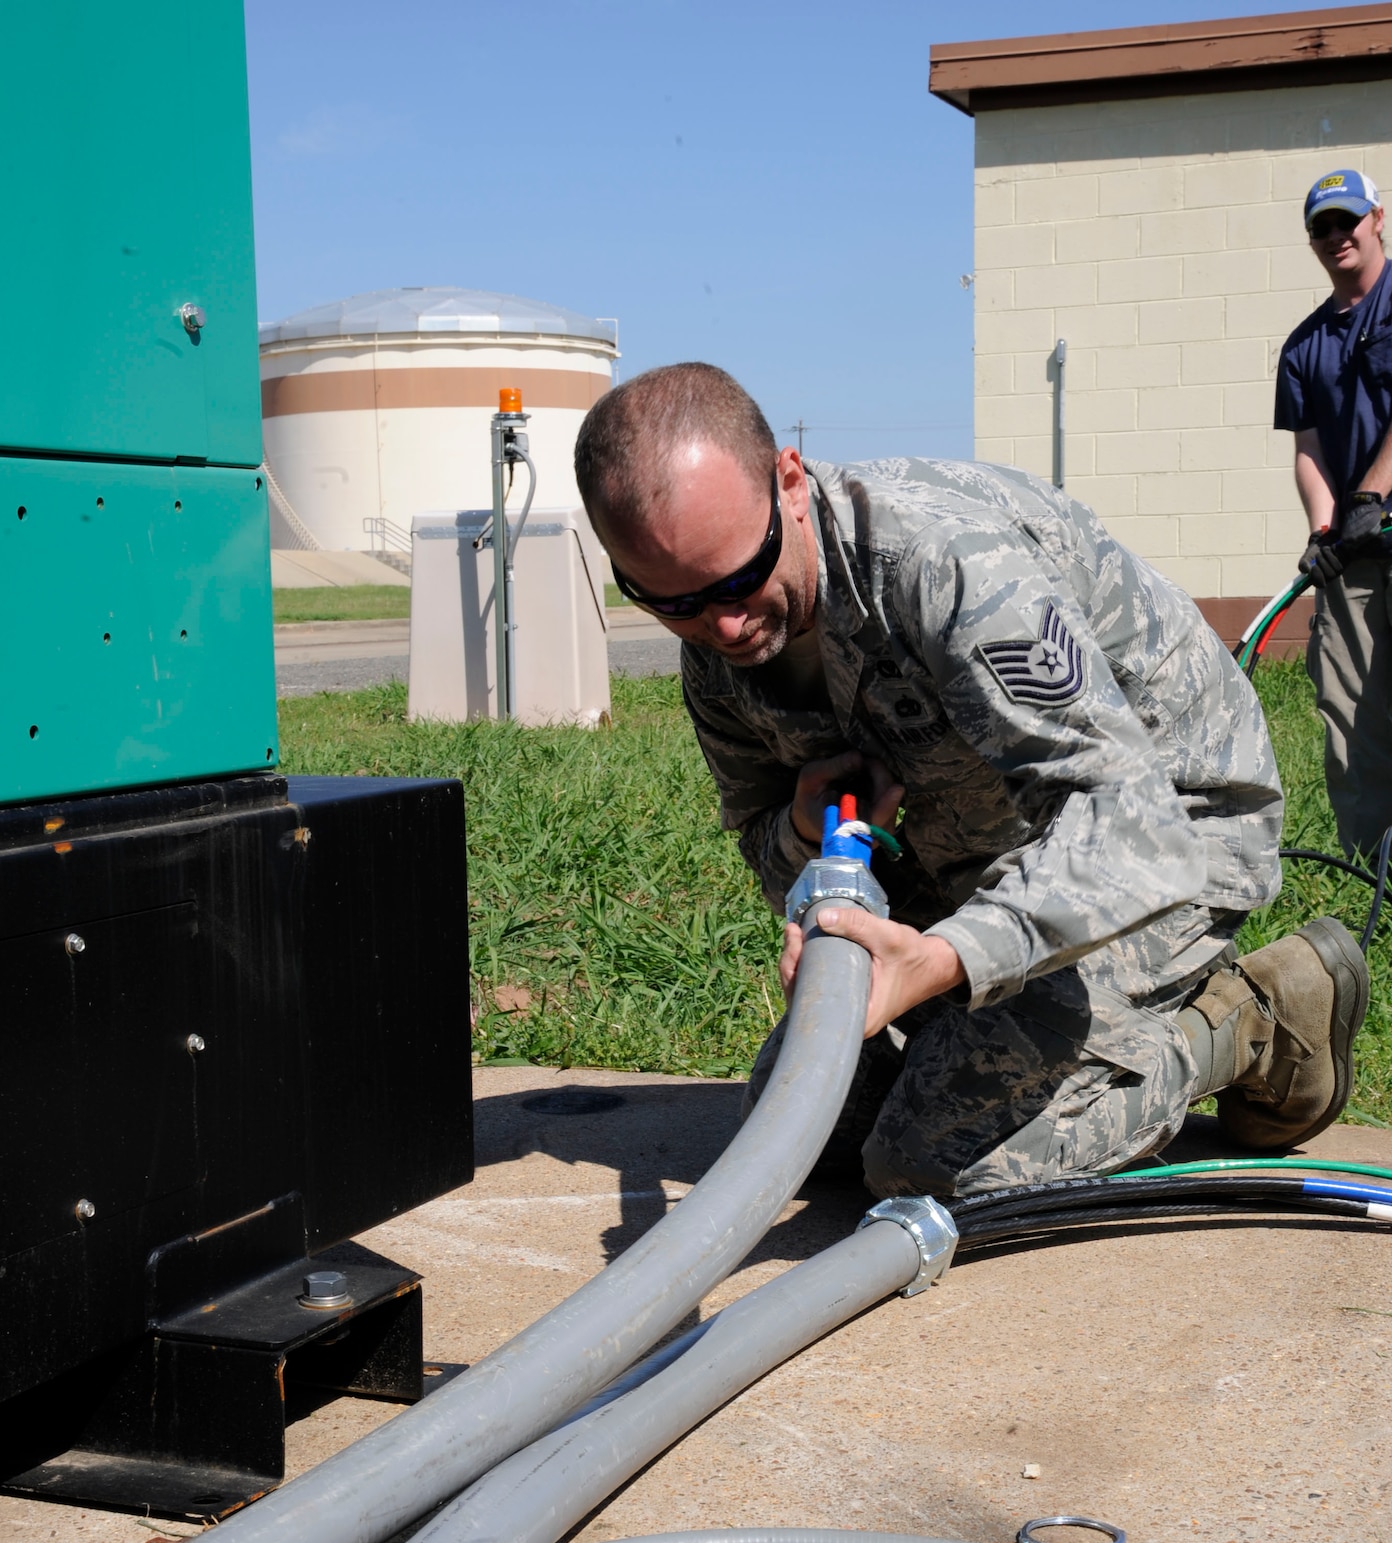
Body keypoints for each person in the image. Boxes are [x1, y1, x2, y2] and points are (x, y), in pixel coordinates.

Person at [574, 363, 1369, 1198]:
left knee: (934, 1165)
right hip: (977, 858)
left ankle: (1247, 1021)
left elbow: (1132, 824)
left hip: (1171, 838)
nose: (723, 625)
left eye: (741, 578)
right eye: (672, 602)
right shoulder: (714, 655)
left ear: (790, 482)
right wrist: (803, 835)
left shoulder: (943, 568)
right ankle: (987, 1031)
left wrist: (945, 959)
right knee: (801, 1129)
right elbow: (762, 840)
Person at [1276, 166, 1392, 858]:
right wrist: (1325, 526)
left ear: (1378, 219)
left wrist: (1373, 495)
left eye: (1347, 220)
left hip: (1376, 519)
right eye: (1322, 226)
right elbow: (1310, 449)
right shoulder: (1305, 344)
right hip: (1355, 552)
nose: (1336, 235)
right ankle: (1369, 874)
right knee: (1351, 718)